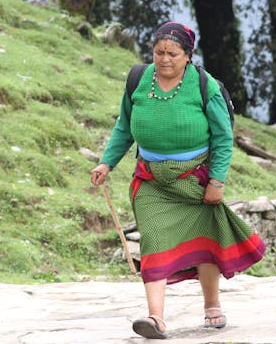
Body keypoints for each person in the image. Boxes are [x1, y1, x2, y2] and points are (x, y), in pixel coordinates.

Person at [90, 21, 266, 339]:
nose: (165, 59)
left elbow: (223, 138)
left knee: (204, 240)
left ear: (188, 55)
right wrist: (107, 163)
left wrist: (216, 181)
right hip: (152, 180)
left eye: (173, 53)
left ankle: (212, 305)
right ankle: (155, 318)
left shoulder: (204, 86)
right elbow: (125, 127)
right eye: (159, 52)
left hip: (194, 179)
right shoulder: (138, 81)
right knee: (154, 239)